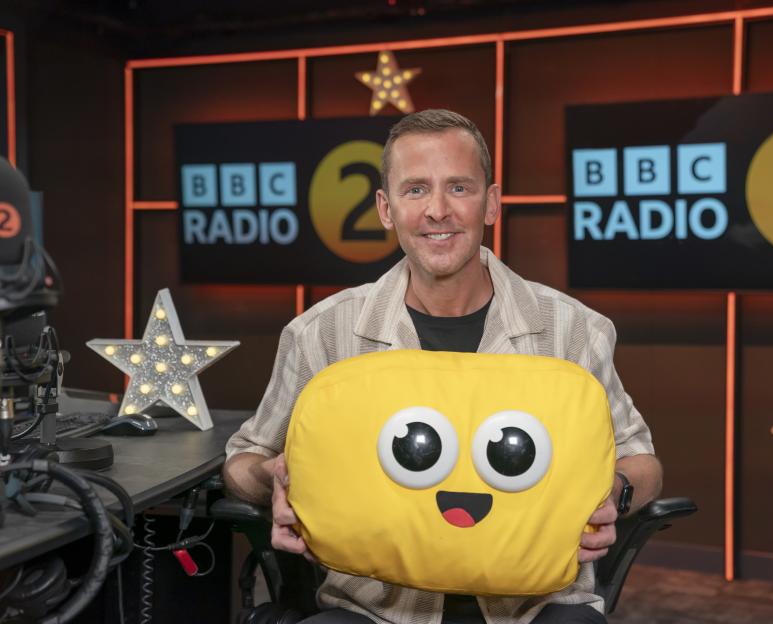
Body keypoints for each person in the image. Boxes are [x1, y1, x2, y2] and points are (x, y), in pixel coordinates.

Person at [223, 109, 663, 624]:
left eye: (459, 188)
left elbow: (643, 462)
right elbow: (243, 460)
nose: (437, 210)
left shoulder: (572, 330)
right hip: (373, 611)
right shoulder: (323, 333)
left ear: (491, 204)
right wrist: (274, 481)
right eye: (415, 190)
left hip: (536, 609)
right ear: (386, 209)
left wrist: (615, 491)